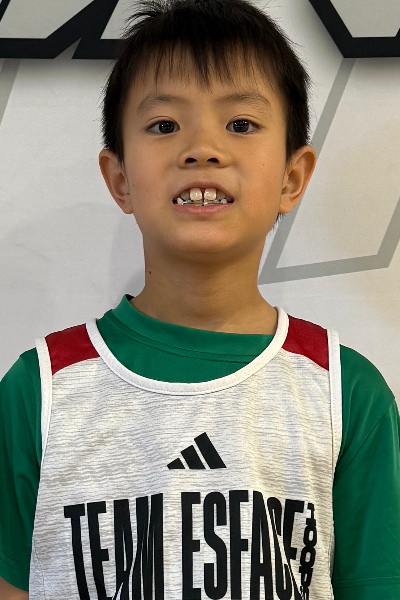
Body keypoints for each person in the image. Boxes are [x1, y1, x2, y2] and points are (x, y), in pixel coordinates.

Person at [1, 0, 399, 598]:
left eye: (241, 124)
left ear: (292, 177)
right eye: (165, 125)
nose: (203, 148)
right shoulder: (39, 390)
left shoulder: (347, 394)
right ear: (120, 179)